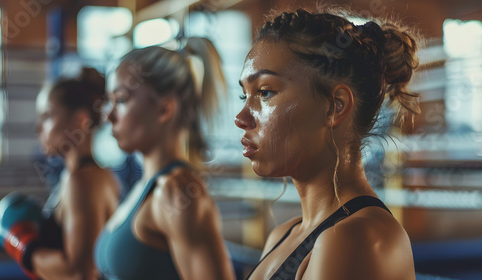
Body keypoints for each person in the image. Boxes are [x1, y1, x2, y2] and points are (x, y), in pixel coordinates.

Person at [235, 8, 419, 280]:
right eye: (244, 96)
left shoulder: (354, 238)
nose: (241, 118)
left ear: (336, 106)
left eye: (265, 92)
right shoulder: (283, 234)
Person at [95, 37, 235, 280]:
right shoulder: (144, 187)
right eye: (110, 102)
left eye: (121, 100)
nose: (109, 116)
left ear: (164, 109)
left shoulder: (176, 191)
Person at [29, 67, 119, 279]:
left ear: (79, 120)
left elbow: (81, 273)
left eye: (47, 116)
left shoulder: (82, 180)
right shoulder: (91, 175)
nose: (38, 128)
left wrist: (26, 250)